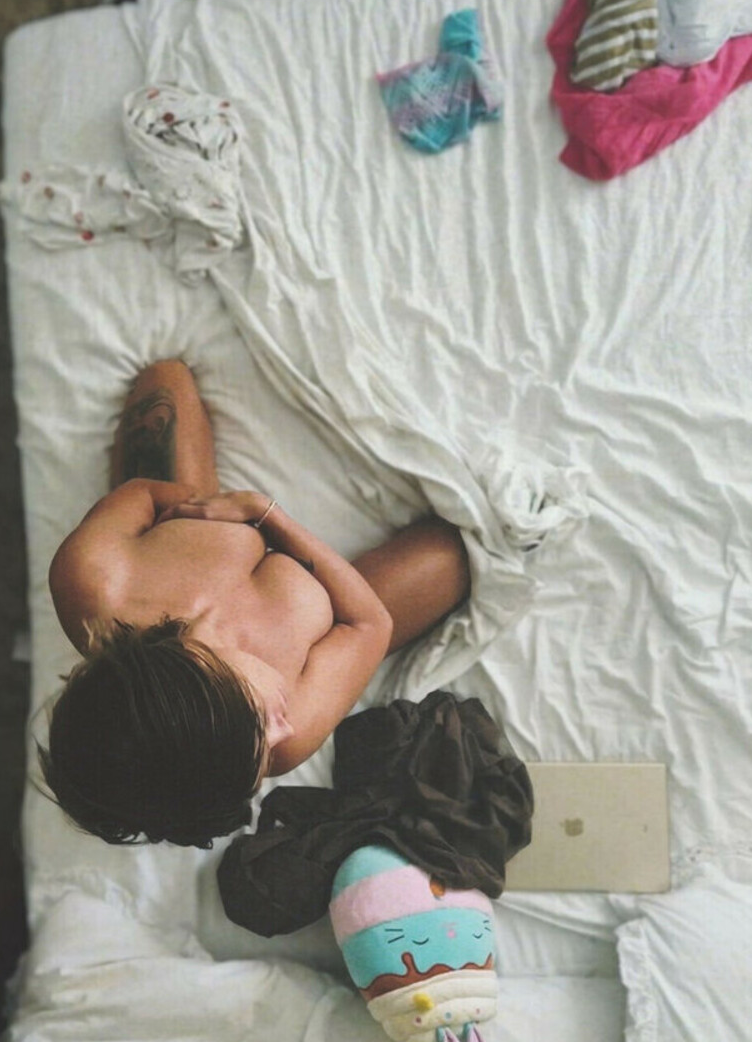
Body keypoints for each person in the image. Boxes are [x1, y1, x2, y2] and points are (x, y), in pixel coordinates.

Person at [41, 359, 471, 848]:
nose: (283, 731)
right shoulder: (277, 742)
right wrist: (267, 515)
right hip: (337, 604)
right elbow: (370, 623)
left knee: (164, 380)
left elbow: (141, 494)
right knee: (456, 554)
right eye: (261, 757)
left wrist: (197, 505)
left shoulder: (94, 579)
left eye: (259, 721)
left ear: (196, 668)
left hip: (196, 520)